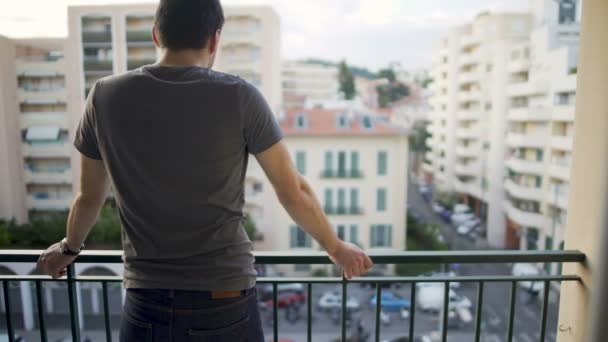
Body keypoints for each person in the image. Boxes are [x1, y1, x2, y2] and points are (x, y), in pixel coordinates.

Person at [36, 0, 374, 341]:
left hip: (145, 297)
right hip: (224, 296)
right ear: (215, 39)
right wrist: (336, 248)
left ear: (156, 35)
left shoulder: (103, 96)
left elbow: (89, 197)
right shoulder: (240, 96)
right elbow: (292, 190)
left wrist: (68, 249)